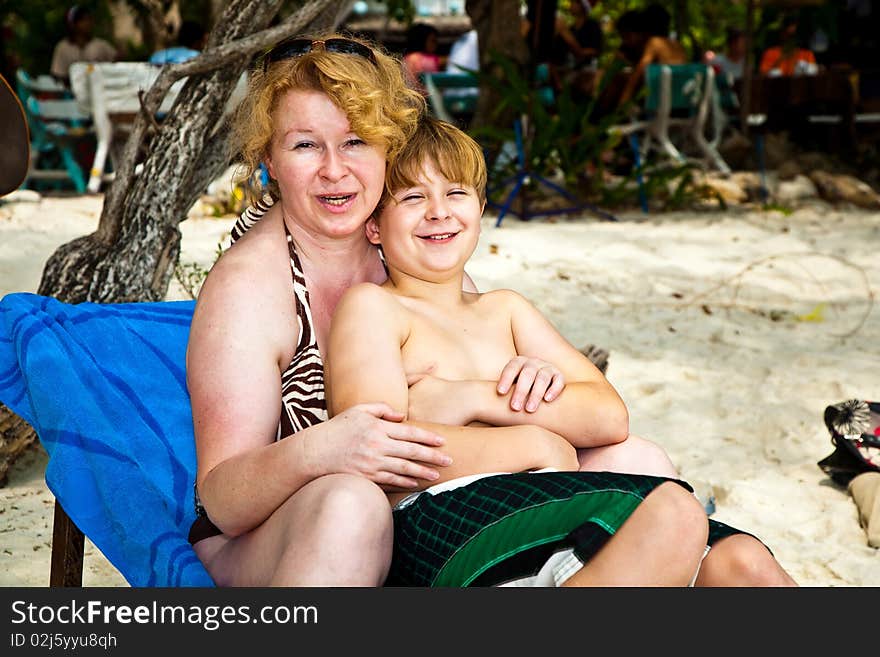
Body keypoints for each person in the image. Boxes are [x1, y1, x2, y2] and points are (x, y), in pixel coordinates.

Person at [185, 31, 691, 587]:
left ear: (388, 146)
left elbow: (471, 409)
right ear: (269, 159)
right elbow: (224, 501)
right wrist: (321, 450)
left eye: (355, 141)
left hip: (419, 495)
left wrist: (521, 385)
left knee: (635, 461)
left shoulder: (410, 249)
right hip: (280, 530)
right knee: (350, 504)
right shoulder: (250, 289)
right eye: (306, 145)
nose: (334, 169)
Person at [324, 115, 799, 587]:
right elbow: (381, 453)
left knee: (745, 561)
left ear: (481, 208)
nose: (437, 211)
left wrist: (474, 399)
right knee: (673, 514)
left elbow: (608, 415)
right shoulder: (376, 307)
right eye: (412, 197)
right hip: (443, 516)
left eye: (455, 193)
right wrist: (536, 442)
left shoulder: (505, 310)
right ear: (374, 228)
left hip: (541, 499)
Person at [616, 4, 688, 107]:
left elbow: (638, 74)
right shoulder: (677, 45)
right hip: (681, 101)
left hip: (663, 103)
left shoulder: (654, 43)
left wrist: (622, 103)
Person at [50, 5, 117, 86]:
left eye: (89, 19)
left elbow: (116, 66)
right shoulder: (63, 48)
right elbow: (58, 74)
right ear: (73, 24)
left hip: (100, 90)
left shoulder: (101, 45)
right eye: (83, 20)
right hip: (72, 94)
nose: (88, 23)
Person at [403, 22, 446, 94]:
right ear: (422, 41)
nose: (436, 44)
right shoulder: (418, 59)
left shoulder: (407, 58)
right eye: (433, 41)